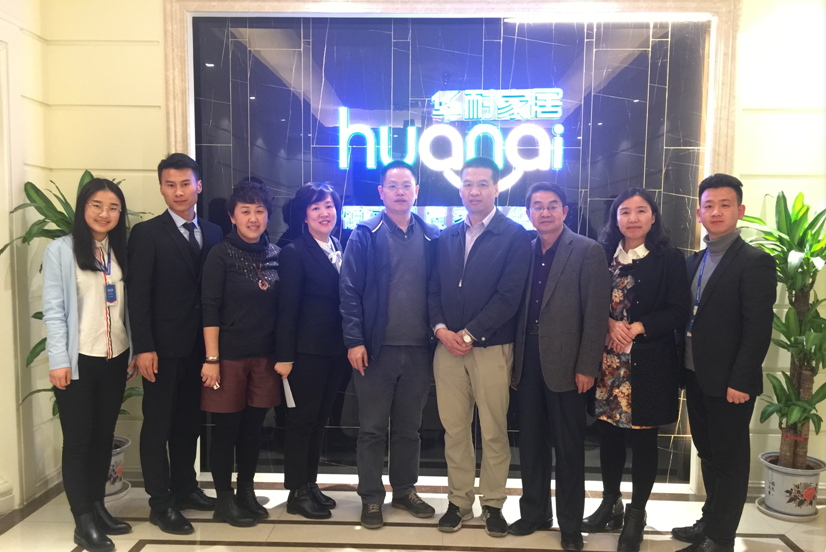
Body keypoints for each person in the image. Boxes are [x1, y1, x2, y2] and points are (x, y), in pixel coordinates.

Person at [582, 188, 691, 552]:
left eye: (641, 211)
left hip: (648, 364)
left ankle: (636, 514)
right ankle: (610, 503)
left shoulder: (669, 258)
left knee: (644, 441)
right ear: (615, 219)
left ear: (653, 217)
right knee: (609, 436)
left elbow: (679, 310)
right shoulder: (602, 256)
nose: (633, 218)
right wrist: (608, 323)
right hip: (608, 364)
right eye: (625, 211)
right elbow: (588, 301)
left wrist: (638, 327)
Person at [671, 174, 776, 552]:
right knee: (708, 455)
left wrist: (741, 380)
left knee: (729, 461)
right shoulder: (694, 261)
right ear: (699, 213)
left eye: (725, 205)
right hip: (695, 375)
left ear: (739, 210)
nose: (716, 212)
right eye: (709, 206)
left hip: (731, 383)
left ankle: (720, 538)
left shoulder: (755, 262)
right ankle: (709, 522)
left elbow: (758, 328)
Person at [428, 156, 532, 537]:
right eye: (468, 184)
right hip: (447, 349)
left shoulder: (515, 236)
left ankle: (493, 504)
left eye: (483, 184)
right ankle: (459, 502)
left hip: (491, 349)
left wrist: (469, 334)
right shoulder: (447, 236)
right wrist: (441, 330)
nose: (474, 191)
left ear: (496, 188)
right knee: (454, 430)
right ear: (459, 189)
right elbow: (433, 290)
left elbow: (509, 297)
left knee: (493, 430)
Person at [509, 183, 610, 551]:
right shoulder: (523, 250)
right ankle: (535, 513)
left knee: (569, 450)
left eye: (553, 205)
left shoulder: (587, 250)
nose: (545, 212)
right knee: (531, 444)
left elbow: (596, 314)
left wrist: (587, 365)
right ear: (528, 213)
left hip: (568, 366)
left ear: (565, 212)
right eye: (537, 206)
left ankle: (570, 525)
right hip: (527, 361)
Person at [340, 160, 440, 529]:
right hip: (374, 351)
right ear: (381, 192)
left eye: (406, 185)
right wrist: (354, 340)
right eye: (393, 186)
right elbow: (349, 292)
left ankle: (404, 490)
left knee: (409, 429)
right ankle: (370, 497)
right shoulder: (365, 234)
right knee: (371, 429)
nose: (400, 192)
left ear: (416, 191)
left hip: (419, 352)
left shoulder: (431, 237)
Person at [127, 153, 223, 534]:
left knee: (189, 424)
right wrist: (143, 347)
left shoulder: (213, 232)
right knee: (158, 427)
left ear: (198, 185)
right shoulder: (147, 233)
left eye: (185, 184)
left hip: (200, 350)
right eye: (171, 185)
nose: (179, 191)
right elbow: (138, 296)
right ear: (161, 188)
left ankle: (186, 488)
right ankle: (160, 502)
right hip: (161, 351)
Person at [43, 178, 135, 552]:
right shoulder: (61, 251)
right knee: (79, 441)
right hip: (78, 361)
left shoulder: (121, 250)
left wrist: (133, 352)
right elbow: (53, 311)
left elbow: (129, 307)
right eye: (97, 205)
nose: (104, 214)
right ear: (83, 207)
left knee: (102, 436)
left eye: (113, 207)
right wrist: (58, 360)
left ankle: (98, 507)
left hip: (115, 358)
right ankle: (82, 520)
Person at [199, 178, 281, 527]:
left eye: (259, 211)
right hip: (228, 358)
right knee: (227, 430)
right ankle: (224, 499)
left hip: (264, 359)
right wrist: (212, 359)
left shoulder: (275, 254)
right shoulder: (220, 254)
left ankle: (246, 491)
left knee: (253, 430)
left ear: (268, 215)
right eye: (245, 211)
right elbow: (210, 308)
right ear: (232, 216)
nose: (253, 218)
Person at [274, 182, 349, 520]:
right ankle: (296, 492)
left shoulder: (337, 246)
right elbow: (286, 309)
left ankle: (310, 483)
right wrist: (284, 356)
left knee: (320, 420)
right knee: (301, 422)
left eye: (329, 206)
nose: (324, 213)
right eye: (316, 207)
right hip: (305, 354)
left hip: (335, 351)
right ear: (304, 215)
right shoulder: (294, 252)